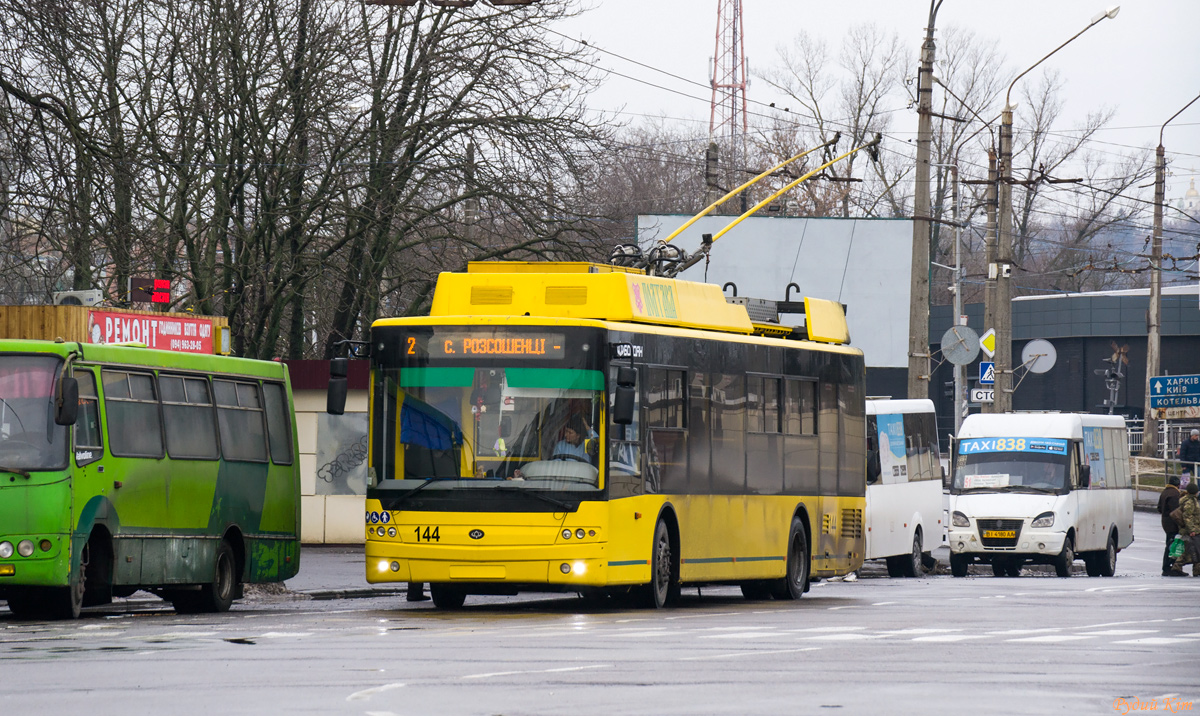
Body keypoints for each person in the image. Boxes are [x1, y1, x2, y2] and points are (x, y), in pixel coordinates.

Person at [1171, 481, 1200, 577]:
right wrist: (1192, 530)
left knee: (1191, 549)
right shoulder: (1190, 502)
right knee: (1193, 549)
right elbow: (1187, 517)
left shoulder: (1189, 500)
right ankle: (1179, 566)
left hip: (1192, 529)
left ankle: (1180, 566)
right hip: (1193, 529)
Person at [1159, 475, 1183, 576]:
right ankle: (1169, 567)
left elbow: (1159, 508)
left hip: (1165, 522)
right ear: (1178, 484)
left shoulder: (1165, 492)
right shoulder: (1175, 494)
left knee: (1170, 543)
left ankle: (1169, 567)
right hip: (1172, 523)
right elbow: (1176, 512)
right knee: (1172, 545)